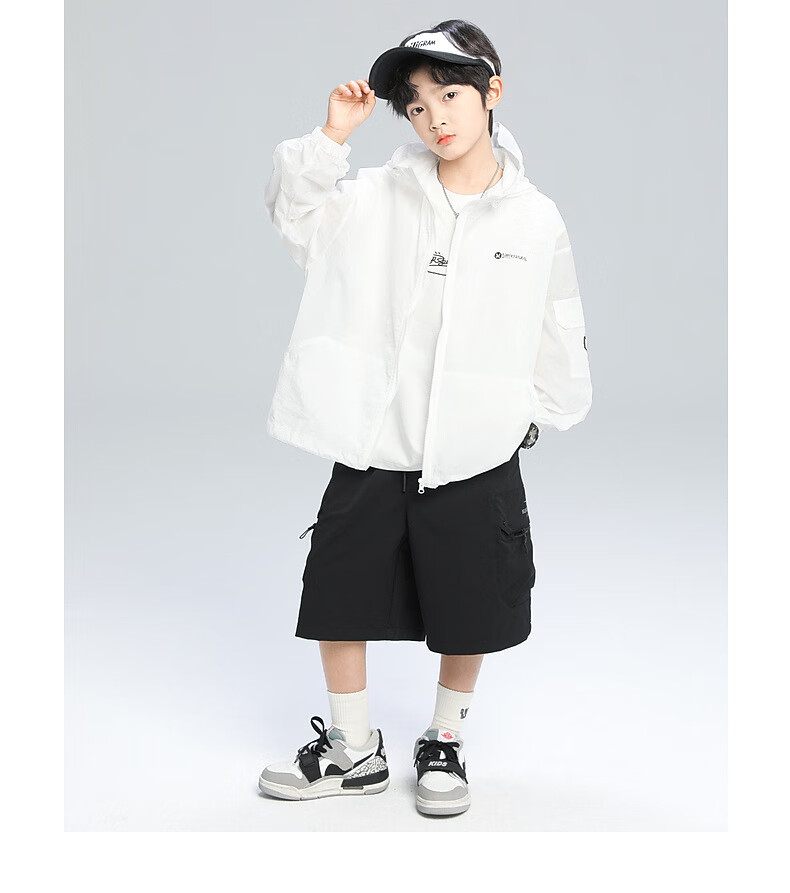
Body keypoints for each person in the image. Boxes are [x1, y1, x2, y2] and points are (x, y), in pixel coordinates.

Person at [257, 19, 592, 817]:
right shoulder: (377, 196)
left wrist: (524, 417)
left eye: (449, 94)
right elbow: (295, 215)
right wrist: (333, 138)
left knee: (470, 602)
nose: (434, 117)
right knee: (337, 591)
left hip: (474, 451)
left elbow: (559, 323)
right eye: (414, 105)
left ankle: (444, 738)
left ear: (491, 91)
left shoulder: (534, 217)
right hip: (375, 440)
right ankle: (352, 746)